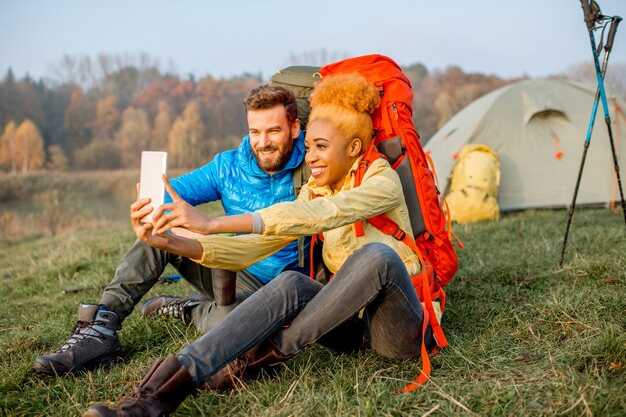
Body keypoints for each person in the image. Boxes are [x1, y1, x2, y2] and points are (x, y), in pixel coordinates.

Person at [84, 73, 434, 417]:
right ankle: (154, 397)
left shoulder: (381, 180)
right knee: (292, 284)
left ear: (354, 147)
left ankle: (262, 355)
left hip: (397, 332)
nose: (310, 158)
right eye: (309, 147)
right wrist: (173, 242)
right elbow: (250, 248)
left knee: (377, 256)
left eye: (321, 148)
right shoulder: (315, 186)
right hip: (349, 326)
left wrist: (212, 222)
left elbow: (322, 214)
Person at [32, 85, 309, 376]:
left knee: (232, 330)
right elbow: (166, 195)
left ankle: (188, 309)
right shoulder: (229, 166)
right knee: (158, 229)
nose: (263, 142)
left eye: (273, 131)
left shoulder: (313, 165)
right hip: (227, 268)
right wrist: (153, 213)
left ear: (293, 128)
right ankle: (101, 327)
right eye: (255, 131)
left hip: (277, 290)